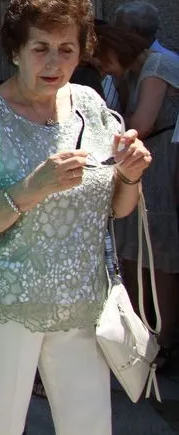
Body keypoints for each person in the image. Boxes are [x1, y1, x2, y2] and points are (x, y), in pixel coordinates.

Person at [0, 0, 152, 435]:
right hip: (1, 307)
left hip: (82, 306)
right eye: (40, 48)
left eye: (66, 49)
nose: (54, 62)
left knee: (89, 428)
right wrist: (31, 189)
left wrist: (130, 174)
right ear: (16, 51)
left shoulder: (90, 105)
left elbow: (118, 210)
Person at [94, 22, 179, 364]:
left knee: (159, 253)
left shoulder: (157, 65)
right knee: (134, 249)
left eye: (102, 61)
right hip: (141, 164)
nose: (102, 69)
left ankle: (165, 338)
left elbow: (139, 124)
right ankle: (142, 334)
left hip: (161, 162)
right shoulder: (131, 73)